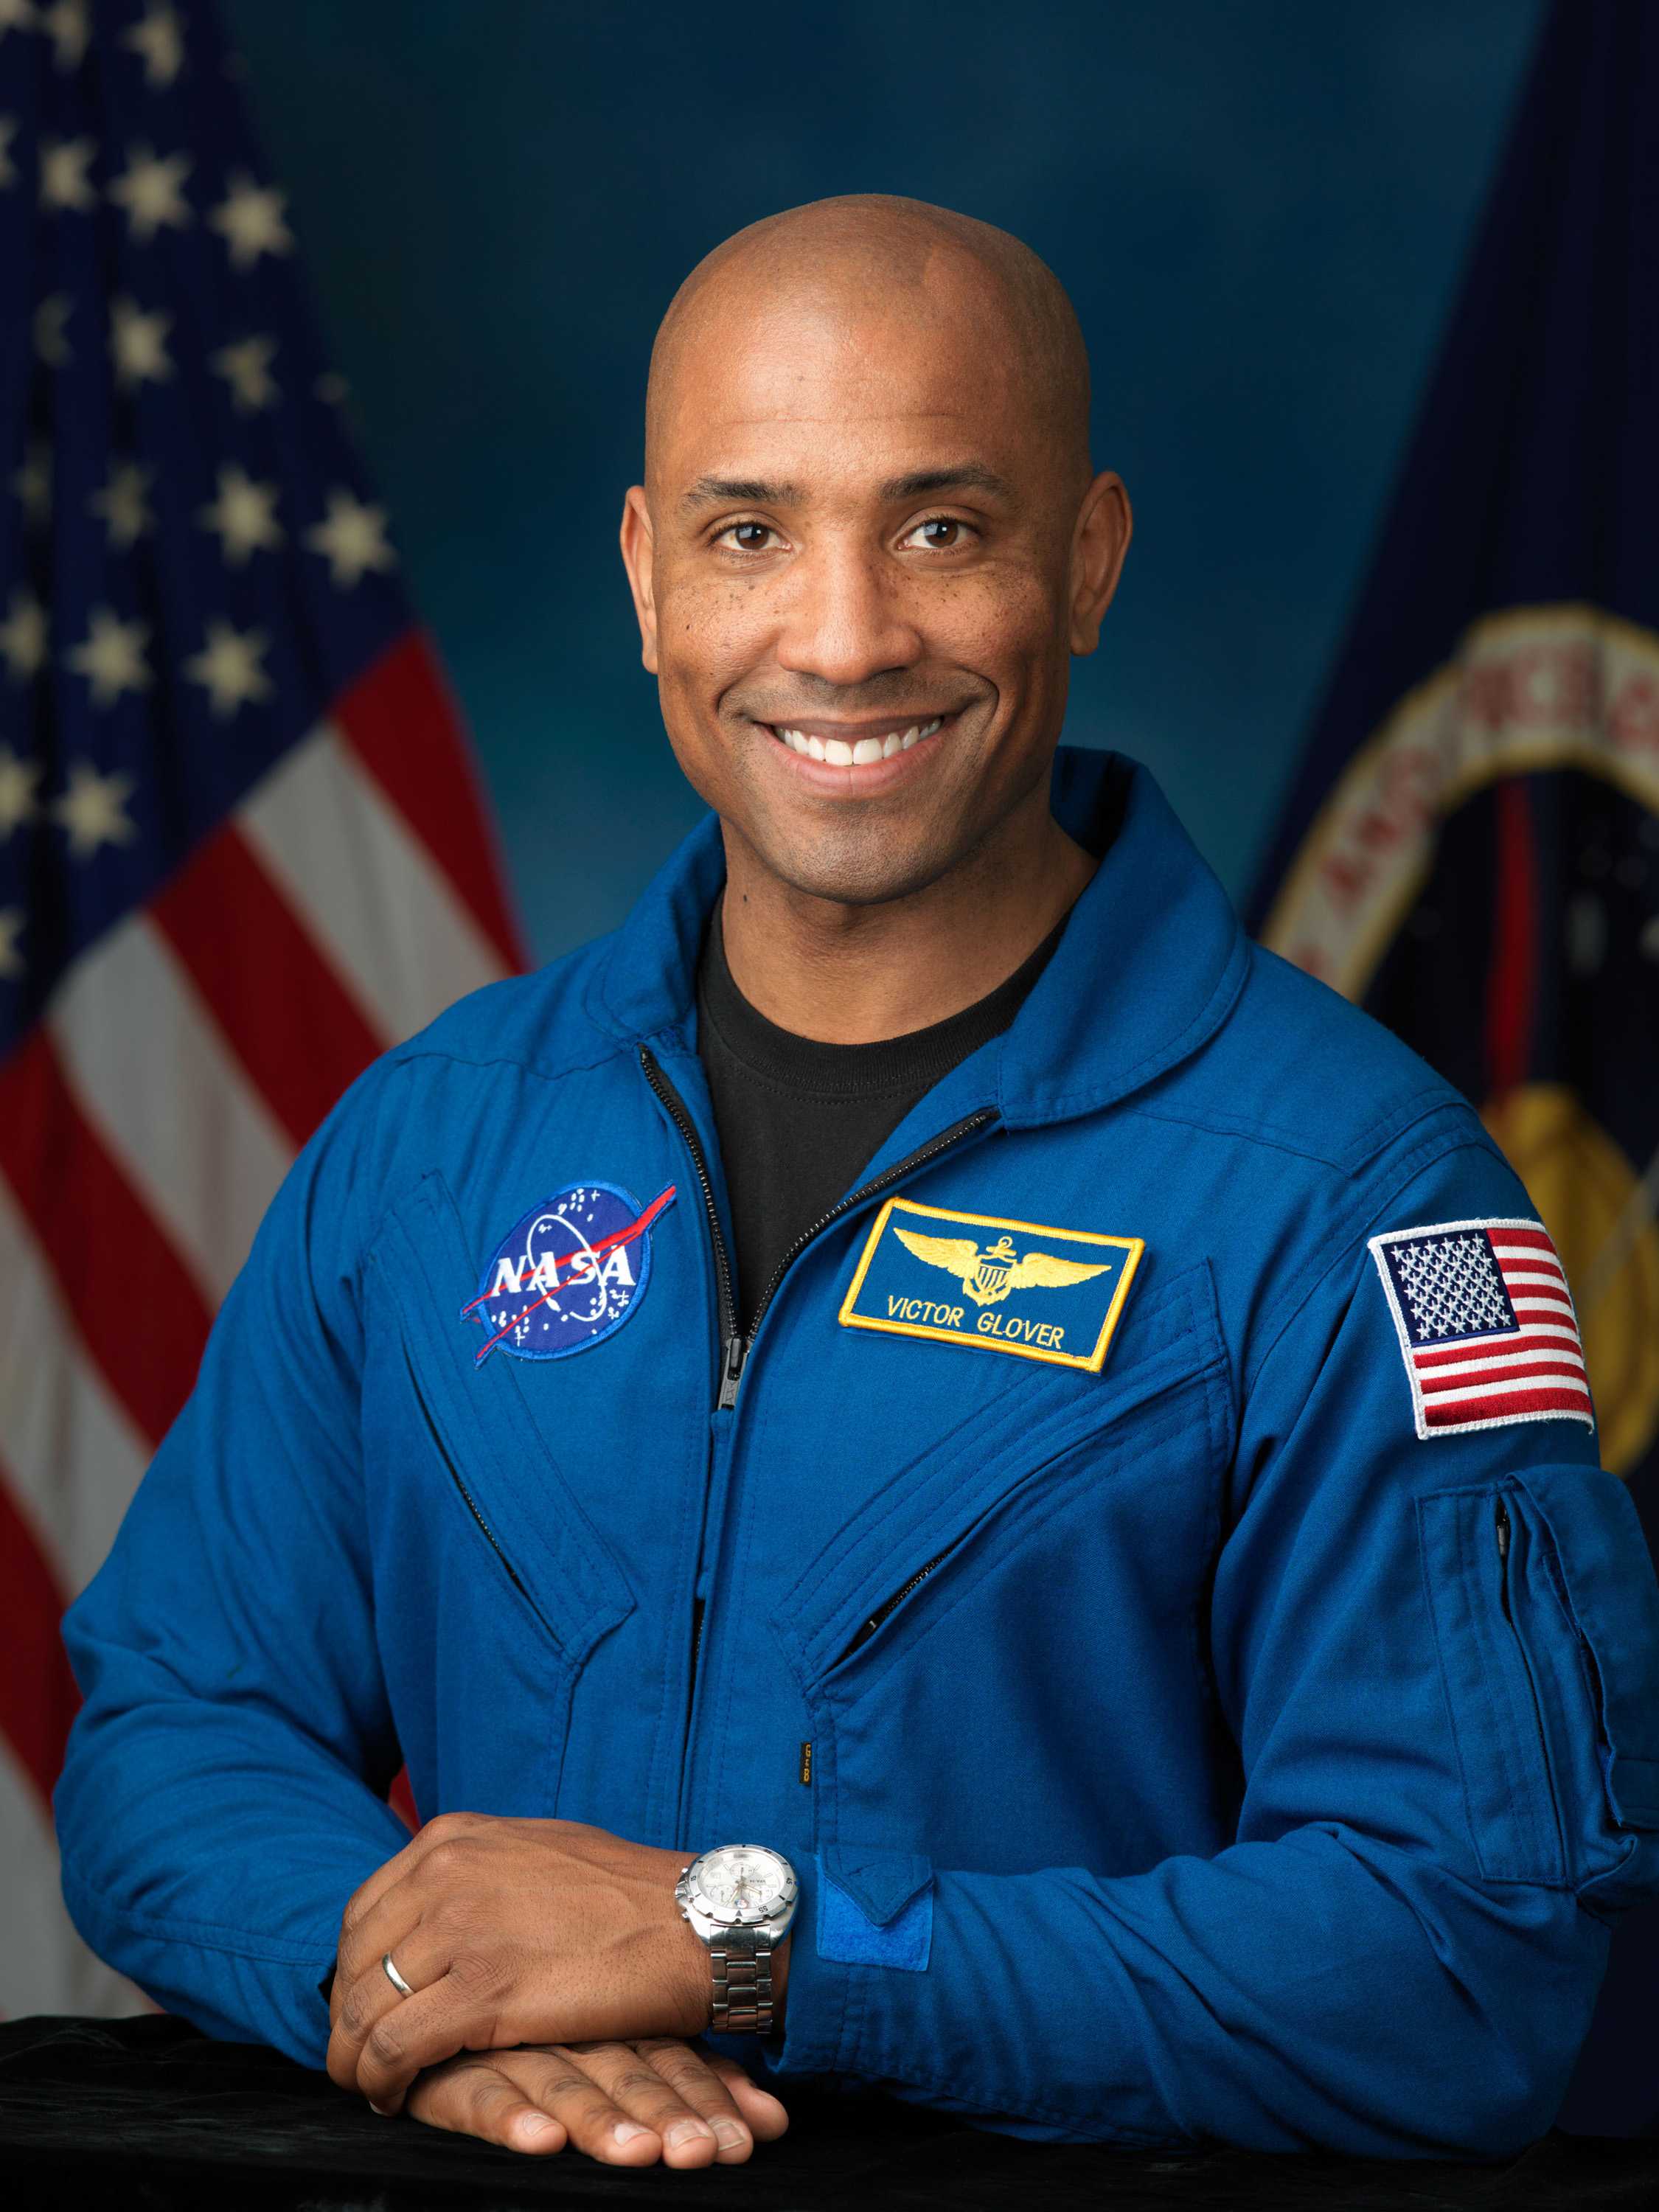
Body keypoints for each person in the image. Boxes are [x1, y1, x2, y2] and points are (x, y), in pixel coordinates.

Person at [56, 195, 1659, 2171]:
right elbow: (174, 1730)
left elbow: (1456, 1956)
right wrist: (435, 2001)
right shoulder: (439, 1143)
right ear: (649, 579)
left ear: (1083, 563)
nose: (840, 636)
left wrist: (746, 1949)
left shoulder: (1352, 1201)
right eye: (749, 529)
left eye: (942, 527)